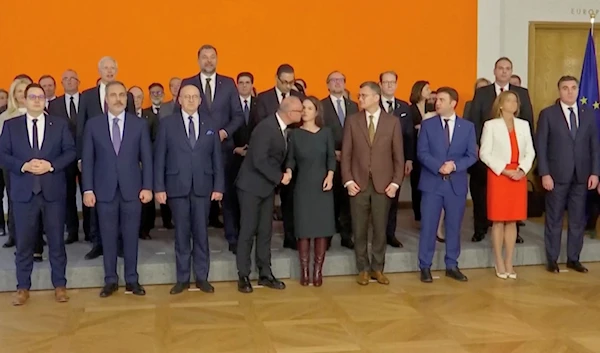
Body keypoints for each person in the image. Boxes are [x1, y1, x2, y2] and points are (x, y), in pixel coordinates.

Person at [0, 83, 76, 305]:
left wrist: (51, 165)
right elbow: (2, 154)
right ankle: (22, 287)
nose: (36, 100)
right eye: (31, 96)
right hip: (24, 193)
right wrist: (23, 165)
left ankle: (60, 285)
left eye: (40, 97)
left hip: (52, 192)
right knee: (24, 243)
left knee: (56, 242)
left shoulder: (59, 124)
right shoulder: (11, 126)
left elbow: (71, 151)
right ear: (24, 99)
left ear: (45, 100)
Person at [82, 81, 153, 298]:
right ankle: (110, 280)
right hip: (104, 191)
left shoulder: (138, 124)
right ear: (106, 99)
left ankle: (132, 279)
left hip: (132, 189)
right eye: (113, 95)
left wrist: (148, 186)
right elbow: (88, 160)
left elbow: (147, 159)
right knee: (108, 236)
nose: (118, 99)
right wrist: (88, 190)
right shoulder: (93, 125)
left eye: (122, 95)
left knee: (131, 237)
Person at [154, 84, 224, 295]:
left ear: (200, 101)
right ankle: (183, 278)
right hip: (177, 186)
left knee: (201, 233)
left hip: (203, 186)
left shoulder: (210, 123)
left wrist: (219, 186)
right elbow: (160, 158)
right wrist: (159, 187)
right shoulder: (167, 124)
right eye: (187, 97)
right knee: (182, 234)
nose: (191, 100)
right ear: (180, 100)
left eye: (195, 97)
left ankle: (202, 277)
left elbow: (217, 159)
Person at [235, 96, 303, 293]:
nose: (302, 114)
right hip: (251, 187)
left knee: (265, 231)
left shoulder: (283, 129)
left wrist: (288, 169)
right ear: (290, 113)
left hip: (266, 187)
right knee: (247, 231)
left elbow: (286, 155)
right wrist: (280, 177)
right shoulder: (266, 128)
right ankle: (244, 275)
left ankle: (265, 272)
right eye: (299, 110)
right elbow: (258, 159)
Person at [341, 81, 404, 286]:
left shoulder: (392, 122)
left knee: (380, 228)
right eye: (359, 95)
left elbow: (398, 157)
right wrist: (348, 180)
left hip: (383, 185)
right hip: (358, 183)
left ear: (376, 97)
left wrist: (395, 183)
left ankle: (378, 268)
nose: (360, 99)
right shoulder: (352, 121)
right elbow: (347, 154)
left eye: (364, 95)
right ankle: (363, 269)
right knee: (358, 229)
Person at [536, 75, 600, 273]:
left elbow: (595, 146)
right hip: (556, 176)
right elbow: (542, 146)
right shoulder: (548, 114)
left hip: (582, 176)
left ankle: (574, 258)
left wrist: (595, 173)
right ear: (559, 91)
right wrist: (544, 173)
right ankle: (552, 259)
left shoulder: (588, 114)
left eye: (573, 88)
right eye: (565, 88)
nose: (570, 91)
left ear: (577, 90)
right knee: (554, 219)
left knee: (577, 220)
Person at [468, 57, 533, 244]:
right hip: (486, 152)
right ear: (494, 71)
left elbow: (528, 121)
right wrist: (478, 147)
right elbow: (474, 120)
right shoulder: (482, 93)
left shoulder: (522, 93)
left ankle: (514, 231)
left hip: (514, 156)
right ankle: (480, 228)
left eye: (508, 68)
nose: (504, 71)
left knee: (512, 198)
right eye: (501, 68)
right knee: (481, 192)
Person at [417, 87, 477, 283]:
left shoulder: (467, 127)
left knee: (453, 227)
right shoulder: (428, 125)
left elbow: (472, 155)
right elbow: (422, 153)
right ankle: (425, 266)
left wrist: (455, 165)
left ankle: (452, 264)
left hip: (456, 185)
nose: (437, 103)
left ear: (453, 103)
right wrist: (439, 166)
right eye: (437, 100)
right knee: (428, 227)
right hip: (432, 183)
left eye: (442, 100)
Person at [479, 91, 535, 279]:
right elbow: (485, 153)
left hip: (518, 175)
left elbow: (530, 151)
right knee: (498, 219)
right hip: (499, 175)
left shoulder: (523, 125)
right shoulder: (491, 125)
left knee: (513, 219)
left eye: (515, 101)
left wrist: (522, 170)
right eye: (509, 100)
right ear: (501, 104)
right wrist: (504, 170)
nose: (513, 103)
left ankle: (509, 260)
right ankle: (499, 261)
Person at [285, 96, 335, 286]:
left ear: (316, 112)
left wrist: (330, 176)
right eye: (303, 108)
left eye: (309, 108)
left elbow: (331, 157)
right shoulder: (295, 134)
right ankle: (304, 271)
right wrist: (288, 171)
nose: (305, 111)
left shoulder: (326, 133)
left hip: (322, 186)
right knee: (304, 229)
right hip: (303, 186)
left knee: (321, 229)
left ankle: (318, 271)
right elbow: (290, 159)